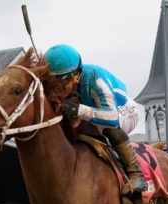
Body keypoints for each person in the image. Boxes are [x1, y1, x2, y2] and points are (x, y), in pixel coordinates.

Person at [45, 44, 146, 194]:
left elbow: (112, 117)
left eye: (63, 80)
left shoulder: (95, 79)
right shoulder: (67, 83)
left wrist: (79, 109)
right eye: (53, 82)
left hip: (124, 110)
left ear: (76, 75)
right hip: (96, 110)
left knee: (108, 128)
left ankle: (135, 174)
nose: (58, 87)